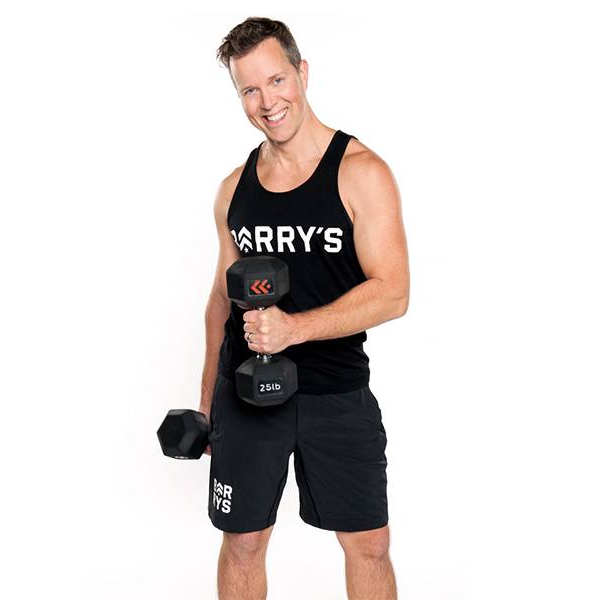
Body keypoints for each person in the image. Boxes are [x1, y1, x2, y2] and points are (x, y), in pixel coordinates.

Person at [199, 17, 409, 600]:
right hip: (245, 396)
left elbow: (393, 290)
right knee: (242, 542)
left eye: (276, 80)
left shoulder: (361, 173)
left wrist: (295, 328)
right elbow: (220, 300)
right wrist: (205, 400)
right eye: (249, 89)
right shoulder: (234, 189)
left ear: (302, 73)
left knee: (368, 543)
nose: (268, 101)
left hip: (336, 392)